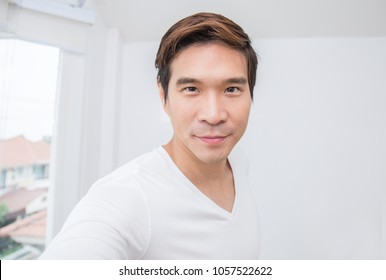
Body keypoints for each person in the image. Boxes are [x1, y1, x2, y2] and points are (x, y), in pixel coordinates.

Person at [40, 12, 260, 260]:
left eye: (232, 89)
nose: (213, 115)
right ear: (163, 97)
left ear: (250, 94)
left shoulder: (238, 160)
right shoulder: (129, 195)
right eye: (191, 89)